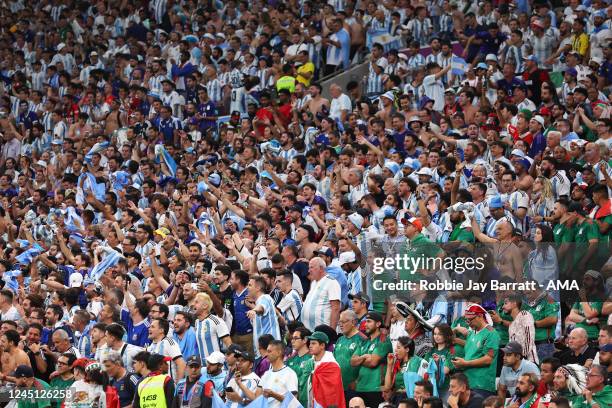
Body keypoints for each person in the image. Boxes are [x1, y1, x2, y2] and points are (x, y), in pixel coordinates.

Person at [451, 304, 500, 399]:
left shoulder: (491, 333)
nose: (468, 323)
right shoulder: (472, 333)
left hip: (481, 385)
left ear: (480, 316)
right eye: (466, 320)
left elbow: (488, 359)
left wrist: (465, 364)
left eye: (470, 319)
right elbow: (472, 346)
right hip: (468, 384)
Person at [351, 311, 393, 408]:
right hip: (360, 387)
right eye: (366, 322)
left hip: (376, 389)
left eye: (369, 321)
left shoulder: (383, 340)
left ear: (378, 324)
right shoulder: (364, 342)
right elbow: (352, 361)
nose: (366, 324)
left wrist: (359, 360)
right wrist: (365, 357)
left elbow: (373, 362)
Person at [307, 331, 346, 408]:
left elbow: (333, 394)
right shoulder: (309, 363)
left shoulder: (332, 366)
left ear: (322, 345)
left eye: (313, 343)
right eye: (310, 343)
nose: (310, 346)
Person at [259, 340, 298, 408]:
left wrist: (274, 395)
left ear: (279, 353)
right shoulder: (266, 374)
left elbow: (293, 403)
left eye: (269, 351)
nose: (267, 354)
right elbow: (257, 397)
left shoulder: (290, 374)